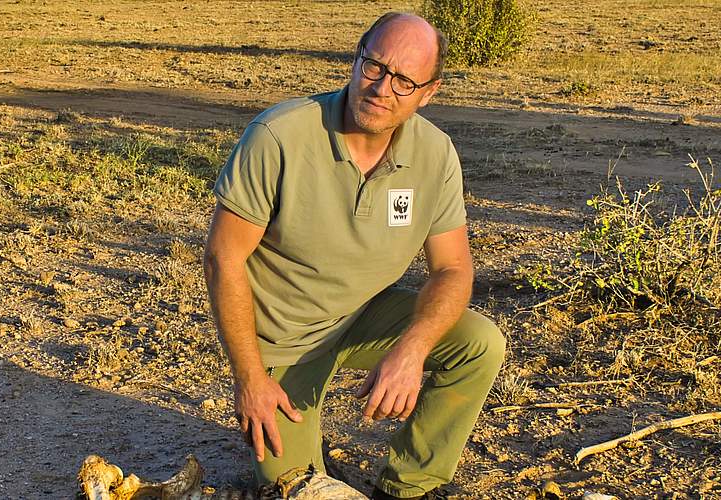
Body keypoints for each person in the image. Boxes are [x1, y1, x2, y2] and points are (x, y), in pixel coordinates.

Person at [202, 12, 505, 500]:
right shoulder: (280, 135)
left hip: (365, 315)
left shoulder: (436, 154)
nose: (383, 88)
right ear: (356, 57)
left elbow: (453, 268)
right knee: (296, 488)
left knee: (478, 342)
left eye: (404, 80)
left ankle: (409, 486)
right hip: (283, 341)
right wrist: (250, 379)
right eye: (375, 66)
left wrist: (411, 350)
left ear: (429, 92)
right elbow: (223, 258)